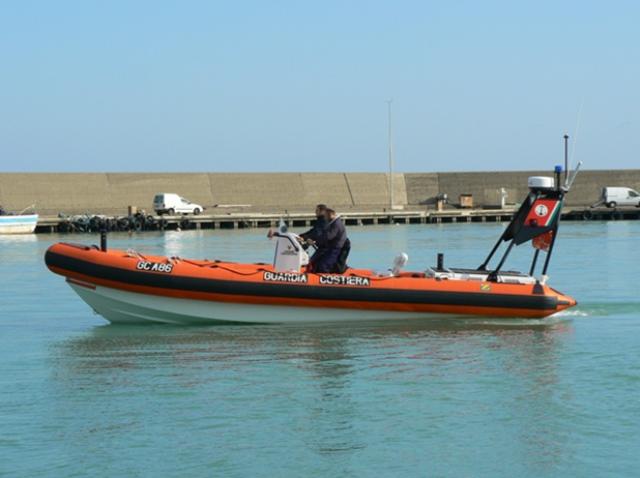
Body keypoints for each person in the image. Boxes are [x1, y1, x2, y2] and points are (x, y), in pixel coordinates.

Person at [310, 207, 349, 273]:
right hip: (333, 246)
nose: (325, 217)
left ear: (331, 214)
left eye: (326, 216)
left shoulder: (336, 224)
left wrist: (316, 241)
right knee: (319, 262)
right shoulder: (333, 223)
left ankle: (327, 275)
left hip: (336, 247)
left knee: (324, 265)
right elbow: (326, 235)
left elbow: (329, 236)